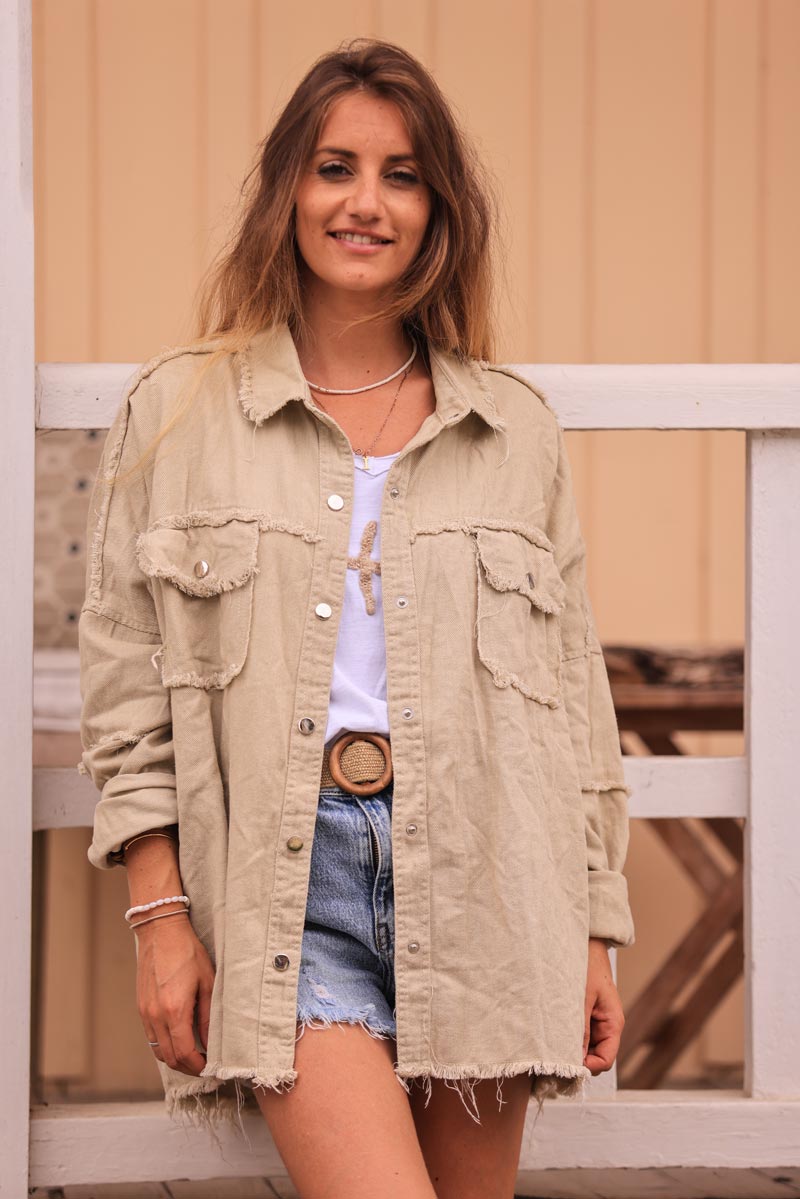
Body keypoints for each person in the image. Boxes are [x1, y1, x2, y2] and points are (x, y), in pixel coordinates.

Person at [77, 37, 635, 1199]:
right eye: (335, 167)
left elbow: (573, 706)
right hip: (287, 882)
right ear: (287, 188)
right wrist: (159, 915)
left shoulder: (513, 428)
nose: (364, 203)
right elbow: (126, 685)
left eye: (401, 174)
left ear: (439, 208)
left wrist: (591, 927)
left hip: (489, 879)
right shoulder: (180, 410)